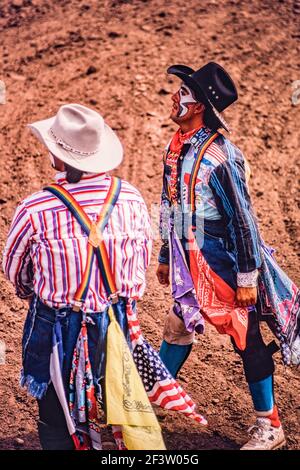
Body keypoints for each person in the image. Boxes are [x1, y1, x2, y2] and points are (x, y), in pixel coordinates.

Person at [3, 103, 207, 451]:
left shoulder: (35, 209)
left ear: (60, 156)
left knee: (55, 417)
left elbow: (16, 274)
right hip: (118, 324)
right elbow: (140, 259)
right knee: (115, 400)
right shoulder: (130, 198)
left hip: (56, 328)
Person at [156, 62, 300, 450]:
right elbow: (169, 204)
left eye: (183, 93)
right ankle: (149, 399)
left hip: (221, 261)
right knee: (179, 323)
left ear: (199, 104)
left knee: (247, 337)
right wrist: (168, 254)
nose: (175, 96)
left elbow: (243, 219)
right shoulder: (175, 148)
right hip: (191, 260)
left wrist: (247, 278)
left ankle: (270, 426)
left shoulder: (221, 157)